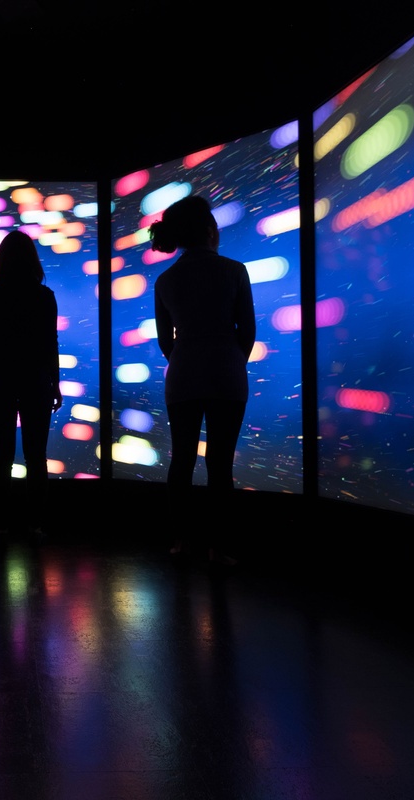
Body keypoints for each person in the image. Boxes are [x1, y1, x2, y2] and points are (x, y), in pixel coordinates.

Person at [150, 195, 256, 567]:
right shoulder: (234, 271)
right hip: (227, 373)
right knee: (220, 464)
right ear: (210, 231)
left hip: (183, 376)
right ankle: (218, 547)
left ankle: (181, 541)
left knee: (181, 460)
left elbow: (166, 341)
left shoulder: (165, 280)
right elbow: (248, 332)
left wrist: (187, 358)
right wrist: (227, 359)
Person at [0, 229, 63, 539]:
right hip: (36, 380)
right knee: (36, 456)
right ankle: (36, 524)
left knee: (1, 456)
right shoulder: (44, 296)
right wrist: (55, 382)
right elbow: (50, 343)